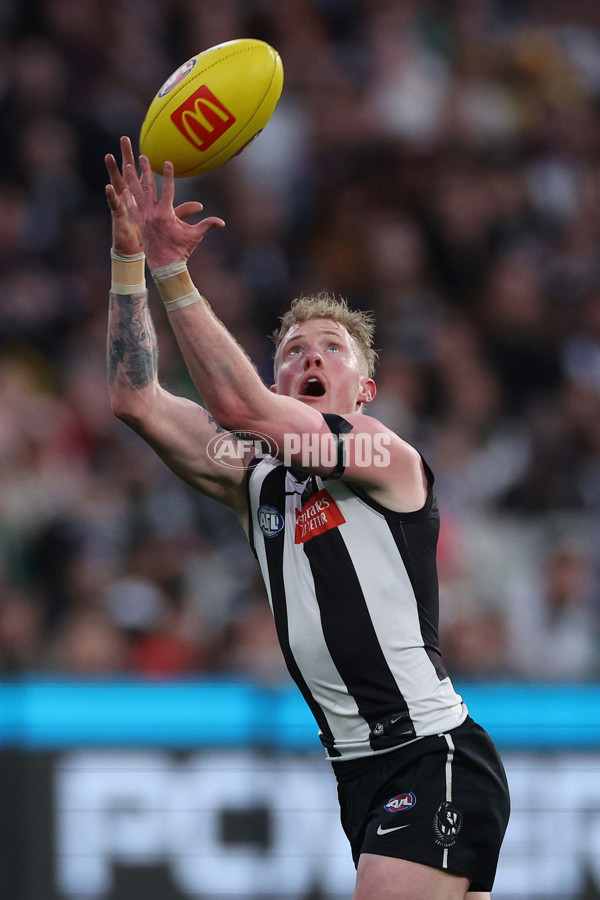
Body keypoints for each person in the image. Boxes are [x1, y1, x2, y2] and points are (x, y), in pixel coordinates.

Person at [105, 136, 510, 900]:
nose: (311, 358)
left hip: (430, 753)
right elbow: (136, 399)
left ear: (365, 392)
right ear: (280, 375)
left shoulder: (384, 456)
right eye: (293, 350)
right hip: (358, 772)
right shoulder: (253, 476)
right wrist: (129, 258)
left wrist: (172, 268)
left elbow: (236, 405)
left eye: (332, 350)